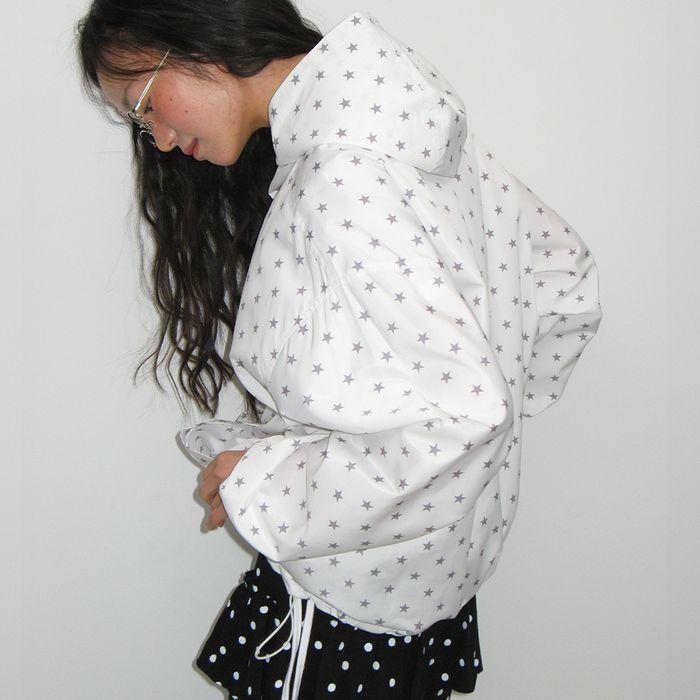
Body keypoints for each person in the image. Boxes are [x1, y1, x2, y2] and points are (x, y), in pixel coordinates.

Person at [75, 2, 603, 698]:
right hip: (419, 581)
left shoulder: (345, 175)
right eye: (141, 126)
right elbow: (562, 280)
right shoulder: (406, 128)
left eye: (144, 103)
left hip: (351, 599)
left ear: (203, 36)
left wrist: (266, 486)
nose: (161, 140)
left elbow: (464, 418)